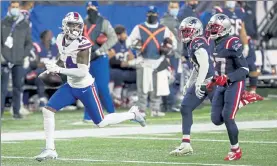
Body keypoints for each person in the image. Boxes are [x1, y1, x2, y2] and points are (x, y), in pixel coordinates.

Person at [34, 12, 146, 162]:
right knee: (47, 111)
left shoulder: (83, 44)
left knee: (101, 122)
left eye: (77, 26)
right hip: (71, 86)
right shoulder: (60, 39)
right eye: (72, 25)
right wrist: (54, 65)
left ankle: (133, 114)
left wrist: (58, 70)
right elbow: (63, 57)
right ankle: (50, 149)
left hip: (86, 87)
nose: (75, 29)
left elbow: (81, 72)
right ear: (64, 26)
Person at [169, 16, 264, 157]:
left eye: (187, 31)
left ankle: (235, 146)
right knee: (188, 108)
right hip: (208, 80)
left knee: (223, 117)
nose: (184, 34)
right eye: (184, 31)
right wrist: (190, 82)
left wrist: (200, 83)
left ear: (196, 31)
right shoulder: (198, 43)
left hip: (213, 81)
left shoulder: (200, 42)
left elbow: (206, 64)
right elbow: (198, 66)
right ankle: (185, 144)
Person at [207, 13, 249, 161]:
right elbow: (217, 67)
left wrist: (228, 77)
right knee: (216, 120)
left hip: (235, 83)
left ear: (224, 28)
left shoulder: (233, 42)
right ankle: (242, 101)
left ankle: (235, 150)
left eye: (215, 28)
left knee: (228, 117)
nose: (212, 30)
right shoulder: (213, 42)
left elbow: (244, 70)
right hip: (221, 84)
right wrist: (212, 79)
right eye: (211, 27)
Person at [126, 6, 177, 117]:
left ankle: (155, 109)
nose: (151, 15)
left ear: (157, 15)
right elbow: (129, 42)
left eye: (153, 13)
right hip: (143, 61)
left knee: (158, 88)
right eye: (149, 13)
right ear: (146, 15)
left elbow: (174, 43)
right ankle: (141, 110)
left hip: (159, 61)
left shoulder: (163, 29)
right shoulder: (139, 28)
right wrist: (136, 46)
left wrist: (168, 48)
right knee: (143, 88)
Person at [212, 1, 258, 93]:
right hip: (225, 44)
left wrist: (245, 45)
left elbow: (242, 30)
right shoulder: (219, 11)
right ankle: (218, 89)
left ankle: (244, 90)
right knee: (225, 68)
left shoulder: (240, 11)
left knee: (242, 67)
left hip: (237, 44)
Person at [83, 1, 118, 121]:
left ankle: (111, 112)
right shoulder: (83, 22)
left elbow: (113, 38)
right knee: (88, 87)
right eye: (88, 6)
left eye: (92, 6)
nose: (90, 8)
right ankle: (89, 115)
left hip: (99, 57)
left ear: (97, 8)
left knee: (102, 87)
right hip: (86, 58)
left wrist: (100, 50)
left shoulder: (103, 22)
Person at [1, 1, 32, 119]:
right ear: (9, 8)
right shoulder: (3, 23)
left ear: (19, 8)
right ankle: (1, 113)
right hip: (4, 61)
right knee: (2, 88)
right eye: (12, 7)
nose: (14, 9)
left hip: (18, 61)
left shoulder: (24, 24)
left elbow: (29, 44)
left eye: (16, 7)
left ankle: (17, 112)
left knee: (18, 87)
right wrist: (3, 56)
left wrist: (23, 56)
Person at [24, 30, 59, 108]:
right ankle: (42, 100)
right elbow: (35, 64)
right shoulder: (36, 47)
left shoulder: (55, 48)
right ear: (42, 38)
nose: (50, 38)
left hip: (51, 74)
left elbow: (59, 63)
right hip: (34, 75)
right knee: (41, 75)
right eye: (48, 36)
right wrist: (49, 64)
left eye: (51, 36)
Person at [160, 1, 183, 112]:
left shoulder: (176, 20)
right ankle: (169, 104)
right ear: (168, 8)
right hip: (170, 54)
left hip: (176, 54)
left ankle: (168, 104)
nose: (175, 9)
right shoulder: (165, 22)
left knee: (173, 79)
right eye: (172, 7)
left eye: (176, 7)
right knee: (171, 79)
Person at [108, 25, 136, 107]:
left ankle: (130, 96)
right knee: (116, 73)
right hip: (114, 70)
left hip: (125, 70)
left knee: (138, 74)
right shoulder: (111, 44)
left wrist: (129, 61)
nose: (126, 35)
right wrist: (122, 63)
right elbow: (111, 61)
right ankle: (114, 97)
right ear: (118, 35)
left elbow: (132, 58)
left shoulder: (127, 44)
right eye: (124, 33)